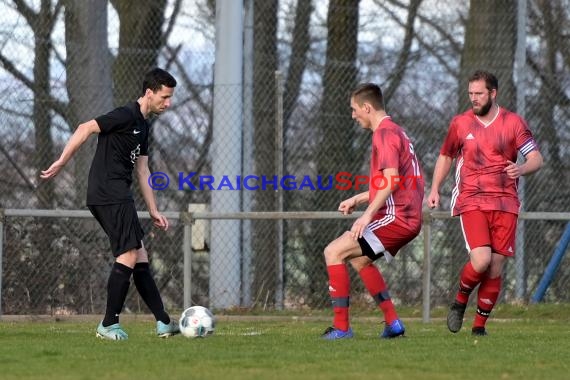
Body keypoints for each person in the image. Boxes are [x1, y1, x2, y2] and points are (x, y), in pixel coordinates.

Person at [41, 68, 180, 340]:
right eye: (164, 97)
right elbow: (85, 128)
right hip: (109, 192)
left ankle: (164, 322)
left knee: (139, 256)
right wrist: (62, 161)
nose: (168, 103)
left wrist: (153, 209)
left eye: (171, 98)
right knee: (128, 254)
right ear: (149, 93)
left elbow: (143, 170)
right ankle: (108, 324)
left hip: (117, 193)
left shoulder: (143, 126)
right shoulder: (125, 114)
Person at [427, 70, 543, 336]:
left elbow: (536, 158)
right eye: (471, 94)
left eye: (479, 93)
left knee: (495, 264)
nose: (474, 99)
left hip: (505, 202)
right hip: (472, 198)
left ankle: (479, 328)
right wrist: (434, 188)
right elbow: (446, 156)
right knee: (480, 260)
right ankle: (460, 300)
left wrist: (521, 169)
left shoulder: (513, 123)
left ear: (493, 93)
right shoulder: (460, 123)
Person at [321, 83, 424, 340]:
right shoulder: (397, 132)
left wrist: (367, 215)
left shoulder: (384, 134)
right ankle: (393, 324)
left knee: (333, 251)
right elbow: (394, 181)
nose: (353, 115)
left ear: (367, 107)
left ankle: (342, 328)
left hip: (397, 216)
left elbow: (391, 181)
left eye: (355, 109)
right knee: (359, 259)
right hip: (407, 216)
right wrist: (358, 198)